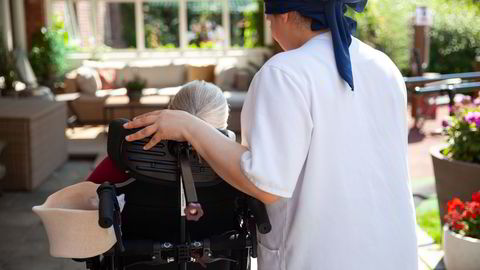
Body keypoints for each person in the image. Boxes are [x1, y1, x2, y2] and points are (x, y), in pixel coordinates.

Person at [123, 0, 418, 269]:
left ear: (286, 14)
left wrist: (189, 126)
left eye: (269, 19)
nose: (271, 29)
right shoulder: (384, 66)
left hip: (319, 257)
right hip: (394, 253)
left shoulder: (286, 72)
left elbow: (264, 181)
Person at [88, 80, 232, 184]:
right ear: (224, 125)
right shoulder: (240, 169)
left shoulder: (126, 154)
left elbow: (81, 195)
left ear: (169, 111)